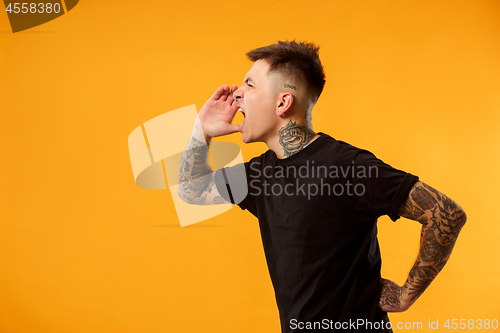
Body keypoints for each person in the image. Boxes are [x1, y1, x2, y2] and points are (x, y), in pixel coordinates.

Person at [177, 41, 467, 332]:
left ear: (282, 103)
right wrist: (200, 131)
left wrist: (405, 296)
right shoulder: (259, 175)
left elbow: (446, 213)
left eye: (249, 85)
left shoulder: (348, 166)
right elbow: (193, 190)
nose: (237, 93)